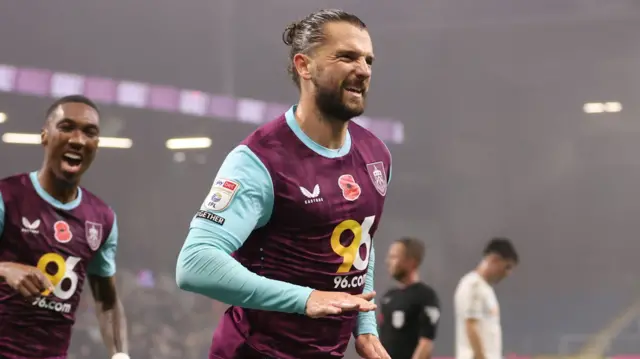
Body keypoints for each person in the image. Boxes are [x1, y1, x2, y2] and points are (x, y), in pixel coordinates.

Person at [175, 8, 392, 359]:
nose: (363, 70)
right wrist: (306, 298)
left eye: (368, 60)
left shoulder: (375, 154)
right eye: (347, 57)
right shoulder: (259, 160)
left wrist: (365, 329)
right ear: (304, 66)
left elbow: (360, 240)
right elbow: (195, 263)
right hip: (255, 351)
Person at [0, 95, 129, 359]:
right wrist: (4, 269)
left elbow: (106, 301)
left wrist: (120, 355)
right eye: (67, 127)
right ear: (45, 136)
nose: (78, 140)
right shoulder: (8, 197)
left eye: (89, 132)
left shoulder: (102, 218)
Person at [454, 238, 519, 359]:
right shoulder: (473, 285)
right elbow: (471, 326)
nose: (508, 273)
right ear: (494, 260)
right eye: (507, 267)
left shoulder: (486, 288)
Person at [379, 237, 441, 359]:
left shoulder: (426, 296)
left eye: (394, 257)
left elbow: (426, 343)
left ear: (411, 262)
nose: (387, 261)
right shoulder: (388, 296)